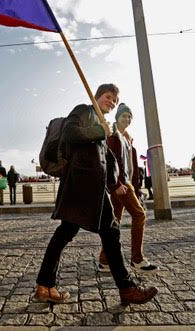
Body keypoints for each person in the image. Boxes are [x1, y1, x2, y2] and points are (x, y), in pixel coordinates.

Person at [34, 83, 158, 306]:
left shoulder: (103, 124)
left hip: (93, 187)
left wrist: (114, 183)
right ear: (97, 96)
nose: (111, 102)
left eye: (114, 101)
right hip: (81, 185)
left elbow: (106, 158)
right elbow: (70, 134)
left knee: (77, 233)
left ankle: (45, 285)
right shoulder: (84, 110)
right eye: (108, 97)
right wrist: (100, 130)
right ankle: (127, 288)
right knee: (103, 232)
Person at [98, 103, 157, 273]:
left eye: (129, 116)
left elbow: (132, 167)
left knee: (113, 223)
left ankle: (104, 260)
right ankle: (137, 259)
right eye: (124, 116)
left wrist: (137, 189)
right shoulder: (112, 136)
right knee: (139, 215)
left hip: (127, 184)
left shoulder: (128, 139)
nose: (127, 119)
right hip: (121, 185)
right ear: (117, 118)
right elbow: (109, 161)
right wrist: (115, 185)